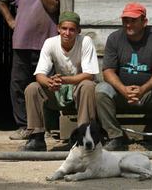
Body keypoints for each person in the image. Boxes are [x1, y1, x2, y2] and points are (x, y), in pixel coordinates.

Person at [0, 0, 60, 140]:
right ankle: (25, 126)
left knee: (47, 85)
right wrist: (10, 20)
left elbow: (53, 7)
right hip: (22, 41)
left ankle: (47, 127)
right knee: (19, 85)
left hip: (47, 43)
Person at [95, 2, 152, 151]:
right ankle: (115, 136)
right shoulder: (115, 38)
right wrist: (123, 89)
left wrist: (143, 89)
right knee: (101, 89)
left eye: (133, 21)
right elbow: (108, 70)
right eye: (125, 21)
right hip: (122, 93)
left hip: (148, 93)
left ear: (144, 22)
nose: (128, 24)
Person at [20, 11, 99, 151]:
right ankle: (36, 137)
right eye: (64, 29)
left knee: (87, 86)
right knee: (33, 87)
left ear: (78, 31)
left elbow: (89, 75)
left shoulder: (85, 42)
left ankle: (84, 135)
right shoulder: (50, 43)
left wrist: (64, 79)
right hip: (58, 90)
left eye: (72, 29)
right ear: (58, 28)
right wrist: (50, 83)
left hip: (78, 90)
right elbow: (39, 74)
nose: (67, 33)